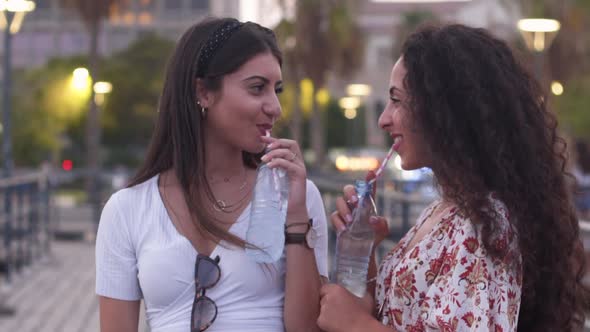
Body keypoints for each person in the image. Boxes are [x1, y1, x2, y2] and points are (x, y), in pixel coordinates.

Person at [318, 24, 588, 332]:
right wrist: (364, 250)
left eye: (397, 100)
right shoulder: (445, 209)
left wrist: (354, 324)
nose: (384, 119)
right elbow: (403, 319)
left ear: (442, 111)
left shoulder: (485, 225)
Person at [95, 17, 328, 332]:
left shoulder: (297, 196)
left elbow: (307, 329)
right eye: (257, 88)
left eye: (277, 90)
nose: (275, 107)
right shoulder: (127, 209)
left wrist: (298, 216)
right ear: (203, 92)